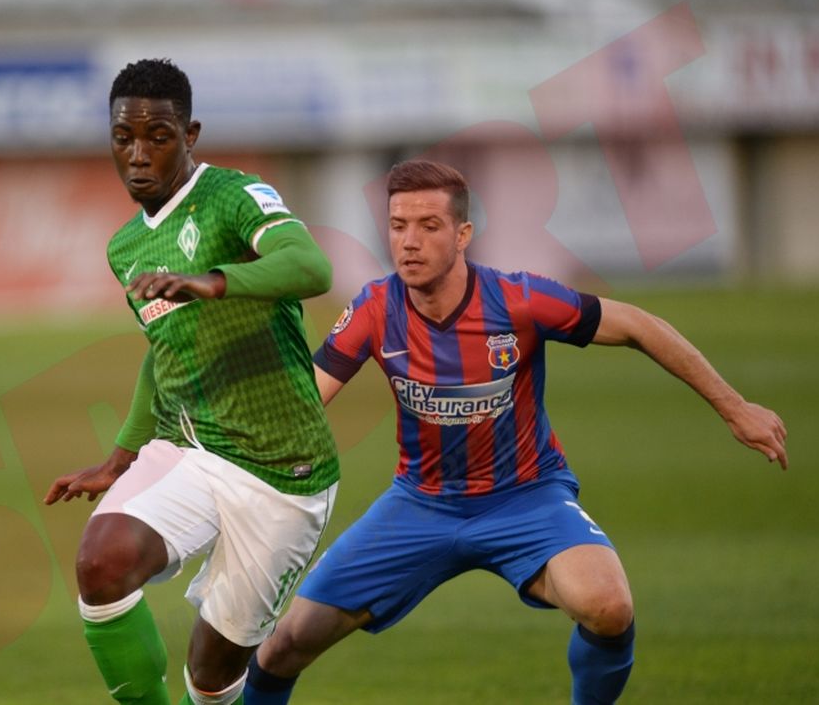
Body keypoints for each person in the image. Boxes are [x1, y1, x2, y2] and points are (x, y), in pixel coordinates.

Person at [243, 159, 789, 705]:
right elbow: (307, 401)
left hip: (526, 498)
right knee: (283, 645)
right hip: (420, 506)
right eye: (397, 225)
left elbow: (638, 326)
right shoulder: (373, 307)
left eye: (428, 226)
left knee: (609, 606)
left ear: (463, 235)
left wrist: (734, 406)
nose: (408, 242)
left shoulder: (518, 300)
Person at [44, 58, 340, 705]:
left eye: (159, 136)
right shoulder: (127, 247)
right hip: (194, 448)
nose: (139, 155)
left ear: (191, 134)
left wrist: (215, 280)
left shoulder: (234, 198)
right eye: (124, 138)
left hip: (284, 474)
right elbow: (164, 349)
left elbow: (312, 266)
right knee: (102, 561)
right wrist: (119, 458)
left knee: (210, 677)